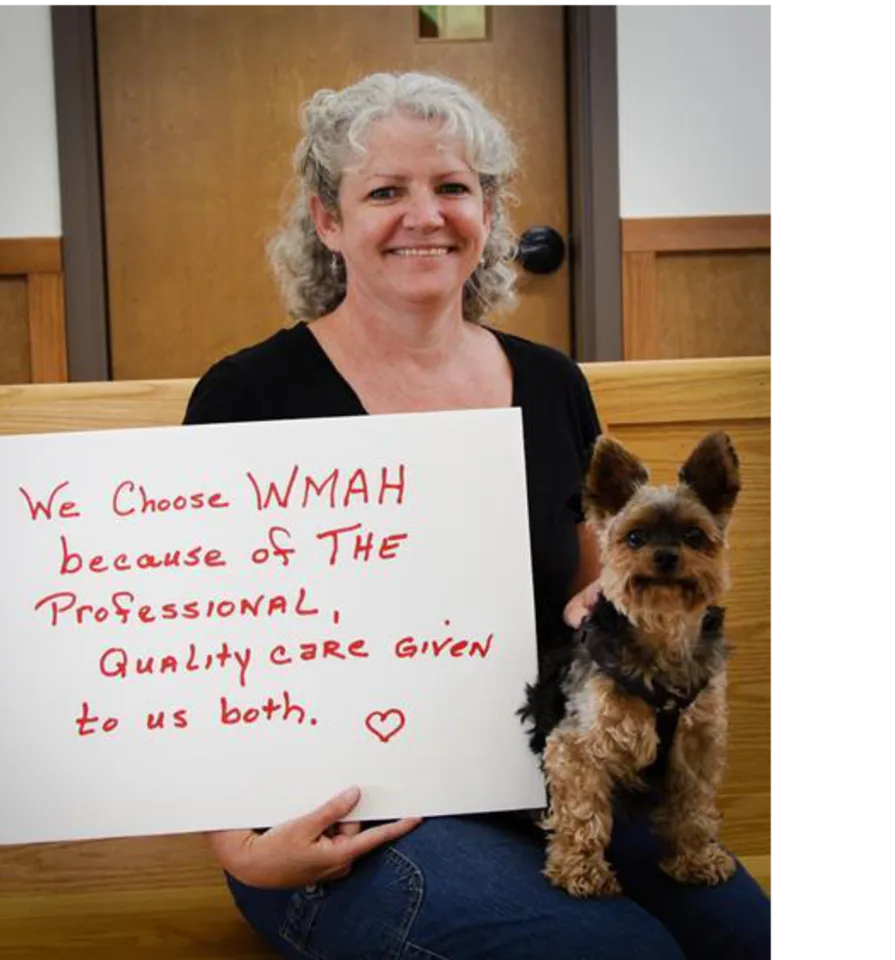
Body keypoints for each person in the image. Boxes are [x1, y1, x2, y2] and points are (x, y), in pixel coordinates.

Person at [182, 71, 774, 959]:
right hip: (347, 818)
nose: (426, 214)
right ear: (328, 220)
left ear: (487, 212)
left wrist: (612, 614)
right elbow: (191, 644)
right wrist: (242, 849)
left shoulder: (549, 382)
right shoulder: (247, 395)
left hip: (549, 776)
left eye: (453, 187)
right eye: (385, 190)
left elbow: (586, 582)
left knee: (746, 935)